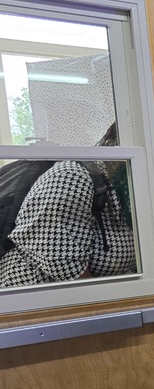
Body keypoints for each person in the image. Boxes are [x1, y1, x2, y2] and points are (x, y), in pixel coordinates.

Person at [0, 123, 136, 287]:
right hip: (31, 299)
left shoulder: (124, 183)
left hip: (75, 299)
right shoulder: (74, 175)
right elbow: (58, 258)